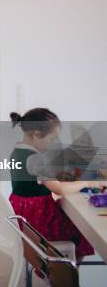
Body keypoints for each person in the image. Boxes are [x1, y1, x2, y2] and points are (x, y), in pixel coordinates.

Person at [9, 107, 104, 261]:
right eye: (52, 139)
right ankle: (66, 274)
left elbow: (39, 180)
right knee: (80, 230)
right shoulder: (36, 159)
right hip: (37, 222)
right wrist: (87, 181)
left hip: (24, 216)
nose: (53, 144)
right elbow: (59, 189)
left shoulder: (18, 151)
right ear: (36, 135)